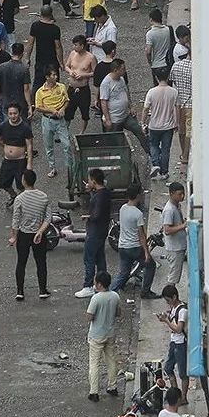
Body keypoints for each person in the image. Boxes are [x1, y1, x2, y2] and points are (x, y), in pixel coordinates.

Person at [9, 167, 52, 301]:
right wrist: (40, 231)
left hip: (24, 234)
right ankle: (42, 289)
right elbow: (48, 218)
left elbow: (16, 219)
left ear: (24, 181)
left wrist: (14, 236)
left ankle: (20, 291)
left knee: (21, 262)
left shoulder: (20, 198)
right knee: (41, 262)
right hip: (38, 234)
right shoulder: (43, 197)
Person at [112, 181, 156, 296]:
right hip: (135, 247)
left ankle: (111, 291)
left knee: (124, 273)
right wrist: (146, 252)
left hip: (122, 247)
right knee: (151, 265)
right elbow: (141, 235)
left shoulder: (122, 209)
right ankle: (145, 291)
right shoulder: (138, 214)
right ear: (137, 196)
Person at [100, 58, 149, 155]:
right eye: (122, 69)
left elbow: (126, 92)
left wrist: (131, 106)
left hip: (126, 116)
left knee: (139, 130)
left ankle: (150, 153)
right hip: (114, 119)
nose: (125, 71)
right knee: (115, 142)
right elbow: (103, 102)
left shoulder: (121, 79)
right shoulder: (106, 83)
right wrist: (108, 119)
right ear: (115, 70)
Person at [75, 168, 111, 297]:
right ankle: (102, 284)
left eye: (89, 180)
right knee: (100, 258)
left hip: (94, 231)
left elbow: (96, 214)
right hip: (102, 231)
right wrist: (91, 192)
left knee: (89, 258)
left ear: (94, 181)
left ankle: (88, 285)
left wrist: (87, 216)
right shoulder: (105, 193)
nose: (88, 182)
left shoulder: (99, 197)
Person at [86, 270, 121, 402]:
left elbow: (89, 316)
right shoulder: (115, 296)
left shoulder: (96, 298)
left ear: (99, 284)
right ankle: (113, 386)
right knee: (111, 360)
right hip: (110, 333)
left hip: (96, 335)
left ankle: (94, 391)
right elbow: (118, 313)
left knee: (94, 363)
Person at [34, 66, 71, 179]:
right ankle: (52, 167)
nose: (56, 77)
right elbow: (38, 108)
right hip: (47, 120)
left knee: (67, 145)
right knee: (48, 146)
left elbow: (66, 101)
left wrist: (63, 109)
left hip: (60, 120)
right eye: (53, 75)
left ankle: (70, 168)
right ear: (47, 77)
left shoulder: (61, 87)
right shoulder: (40, 92)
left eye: (56, 75)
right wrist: (51, 110)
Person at [144, 67, 179, 179]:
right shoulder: (174, 92)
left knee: (153, 145)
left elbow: (145, 109)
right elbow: (176, 108)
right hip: (168, 126)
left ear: (156, 78)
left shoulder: (151, 92)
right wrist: (176, 123)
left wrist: (143, 122)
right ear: (168, 77)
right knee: (165, 149)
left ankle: (155, 164)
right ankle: (164, 172)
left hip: (154, 125)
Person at [0, 102, 33, 205]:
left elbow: (29, 145)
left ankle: (22, 203)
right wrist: (6, 147)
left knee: (21, 185)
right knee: (3, 183)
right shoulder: (3, 126)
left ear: (19, 113)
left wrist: (29, 163)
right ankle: (13, 195)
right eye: (10, 114)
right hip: (7, 160)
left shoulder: (25, 127)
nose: (13, 116)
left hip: (20, 160)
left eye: (15, 113)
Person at [24, 4, 63, 96]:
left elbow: (30, 43)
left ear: (41, 14)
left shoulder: (35, 26)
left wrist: (27, 58)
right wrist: (61, 62)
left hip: (40, 60)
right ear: (51, 14)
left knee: (37, 83)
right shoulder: (55, 29)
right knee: (54, 83)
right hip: (52, 60)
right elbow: (58, 47)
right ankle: (54, 100)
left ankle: (33, 103)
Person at [160, 283, 189, 405]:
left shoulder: (183, 311)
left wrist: (166, 321)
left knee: (182, 372)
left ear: (174, 297)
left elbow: (178, 328)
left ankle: (183, 397)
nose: (167, 303)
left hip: (181, 343)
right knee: (168, 368)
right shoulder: (173, 308)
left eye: (168, 300)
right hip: (174, 341)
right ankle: (176, 394)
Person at [64, 33, 96, 132]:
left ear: (82, 46)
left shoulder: (90, 57)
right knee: (68, 110)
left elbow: (95, 73)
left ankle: (81, 132)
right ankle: (65, 130)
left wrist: (83, 75)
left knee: (84, 112)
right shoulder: (72, 54)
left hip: (83, 88)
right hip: (71, 87)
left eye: (76, 45)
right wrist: (71, 72)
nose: (74, 47)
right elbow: (67, 66)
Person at [170, 31, 193, 168]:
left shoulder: (176, 66)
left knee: (181, 129)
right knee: (190, 131)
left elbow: (172, 80)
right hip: (190, 102)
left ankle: (182, 152)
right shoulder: (194, 68)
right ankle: (186, 155)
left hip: (179, 102)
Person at [162, 181, 188, 285]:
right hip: (174, 249)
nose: (182, 196)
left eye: (183, 193)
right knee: (173, 277)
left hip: (179, 246)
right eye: (179, 194)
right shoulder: (169, 210)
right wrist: (183, 225)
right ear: (171, 194)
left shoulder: (177, 206)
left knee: (175, 275)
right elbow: (167, 230)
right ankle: (171, 297)